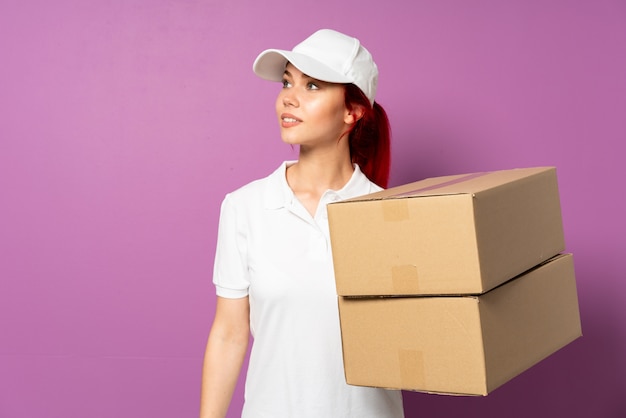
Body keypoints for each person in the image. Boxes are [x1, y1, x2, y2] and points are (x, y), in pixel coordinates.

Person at [199, 29, 404, 418]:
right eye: (287, 82)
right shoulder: (245, 207)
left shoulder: (389, 213)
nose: (288, 97)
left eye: (312, 85)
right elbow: (228, 335)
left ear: (352, 112)